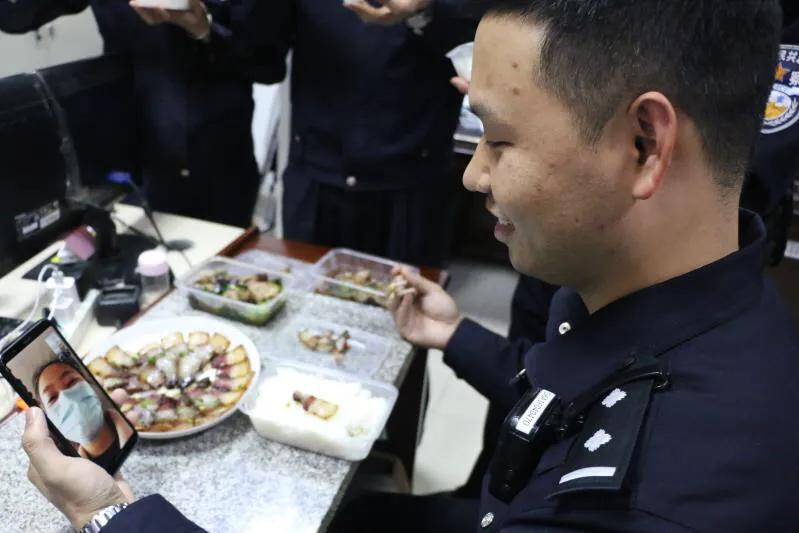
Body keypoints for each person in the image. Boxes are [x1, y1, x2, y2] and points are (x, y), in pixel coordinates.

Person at [15, 0, 799, 531]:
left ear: (643, 146)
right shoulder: (675, 301)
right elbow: (559, 393)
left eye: (498, 138)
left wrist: (113, 512)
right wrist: (457, 336)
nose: (472, 175)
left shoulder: (659, 494)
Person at [0, 0, 289, 227]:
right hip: (130, 158)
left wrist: (205, 28)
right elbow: (15, 15)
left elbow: (268, 64)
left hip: (218, 159)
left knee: (219, 280)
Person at [273, 0, 482, 267]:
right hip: (317, 170)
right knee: (305, 294)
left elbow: (477, 42)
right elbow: (261, 60)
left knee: (409, 299)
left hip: (412, 174)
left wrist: (423, 11)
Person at [32, 359, 134, 473]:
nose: (67, 399)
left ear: (92, 386)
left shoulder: (134, 427)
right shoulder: (76, 477)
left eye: (71, 382)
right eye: (52, 398)